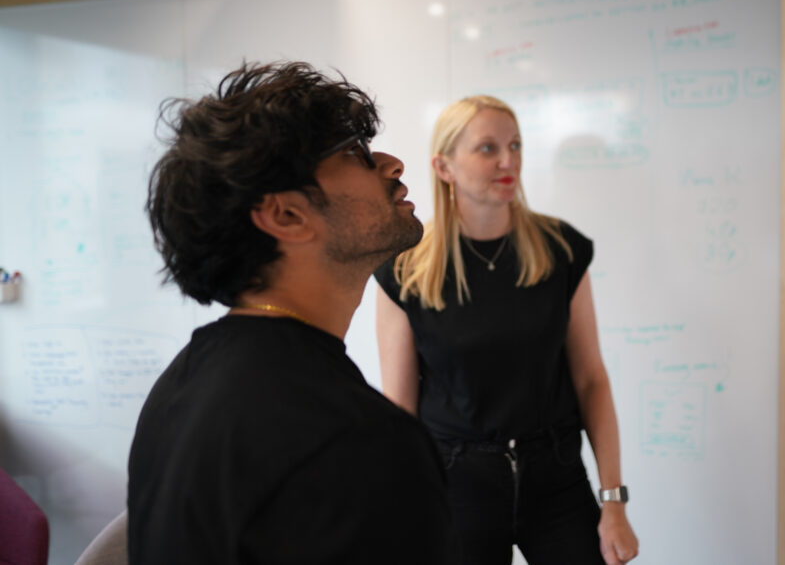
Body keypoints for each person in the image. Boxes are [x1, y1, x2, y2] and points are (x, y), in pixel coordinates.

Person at [128, 61, 453, 564]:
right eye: (356, 153)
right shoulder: (359, 438)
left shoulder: (178, 387)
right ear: (286, 215)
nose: (392, 165)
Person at [374, 95, 639, 565]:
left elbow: (590, 380)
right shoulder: (405, 270)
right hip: (456, 484)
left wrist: (613, 502)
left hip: (556, 479)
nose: (507, 160)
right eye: (487, 148)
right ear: (444, 167)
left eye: (515, 145)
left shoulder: (560, 249)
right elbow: (400, 410)